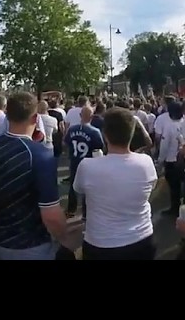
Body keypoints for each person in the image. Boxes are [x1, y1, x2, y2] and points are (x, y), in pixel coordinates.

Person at [0, 93, 69, 260]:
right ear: (35, 118)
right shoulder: (41, 155)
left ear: (7, 114)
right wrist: (64, 239)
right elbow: (51, 214)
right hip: (29, 244)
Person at [74, 107, 157, 260]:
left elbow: (79, 189)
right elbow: (152, 186)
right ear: (132, 134)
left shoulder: (87, 166)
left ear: (105, 135)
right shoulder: (146, 162)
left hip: (100, 244)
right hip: (142, 239)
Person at [64, 105, 104, 220]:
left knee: (73, 186)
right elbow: (99, 148)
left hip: (75, 161)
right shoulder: (95, 132)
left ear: (80, 115)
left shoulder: (72, 129)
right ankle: (86, 214)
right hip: (88, 163)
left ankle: (71, 210)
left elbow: (66, 143)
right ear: (92, 116)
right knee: (88, 188)